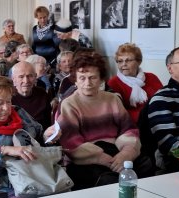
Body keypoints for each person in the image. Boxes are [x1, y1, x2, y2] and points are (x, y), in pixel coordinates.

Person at [54, 51, 148, 190]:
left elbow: (128, 129)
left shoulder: (113, 99)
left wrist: (126, 153)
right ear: (75, 79)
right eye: (82, 78)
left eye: (92, 77)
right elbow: (71, 143)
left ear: (101, 79)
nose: (87, 83)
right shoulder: (69, 104)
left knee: (147, 164)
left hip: (116, 151)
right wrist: (105, 160)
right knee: (110, 181)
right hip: (87, 159)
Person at [107, 43, 163, 123]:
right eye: (120, 61)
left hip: (157, 120)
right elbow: (118, 112)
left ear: (139, 62)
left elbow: (162, 100)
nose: (123, 64)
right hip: (131, 124)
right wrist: (146, 116)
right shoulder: (113, 83)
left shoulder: (152, 77)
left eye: (128, 60)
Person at [11, 62, 53, 134]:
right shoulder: (8, 96)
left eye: (30, 76)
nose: (26, 81)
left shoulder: (42, 93)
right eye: (21, 77)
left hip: (42, 138)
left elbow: (48, 122)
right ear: (13, 79)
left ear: (35, 77)